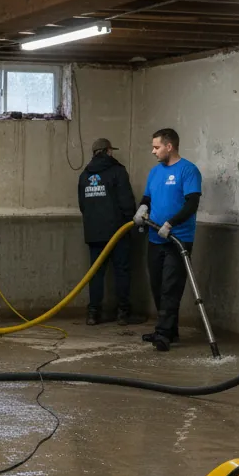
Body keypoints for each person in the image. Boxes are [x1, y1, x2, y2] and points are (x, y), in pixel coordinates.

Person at [134, 128, 202, 352]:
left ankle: (163, 334)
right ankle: (169, 330)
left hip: (177, 240)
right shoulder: (155, 172)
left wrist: (170, 223)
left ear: (169, 146)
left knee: (170, 288)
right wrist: (142, 208)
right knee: (157, 285)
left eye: (156, 147)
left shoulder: (188, 171)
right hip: (155, 238)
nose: (153, 151)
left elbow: (191, 203)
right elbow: (148, 197)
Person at [77, 137, 138, 325]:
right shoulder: (117, 172)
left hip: (94, 233)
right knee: (122, 271)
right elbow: (126, 202)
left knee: (96, 273)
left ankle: (93, 313)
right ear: (108, 151)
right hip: (118, 232)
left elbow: (83, 206)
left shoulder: (84, 175)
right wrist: (131, 223)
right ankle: (123, 313)